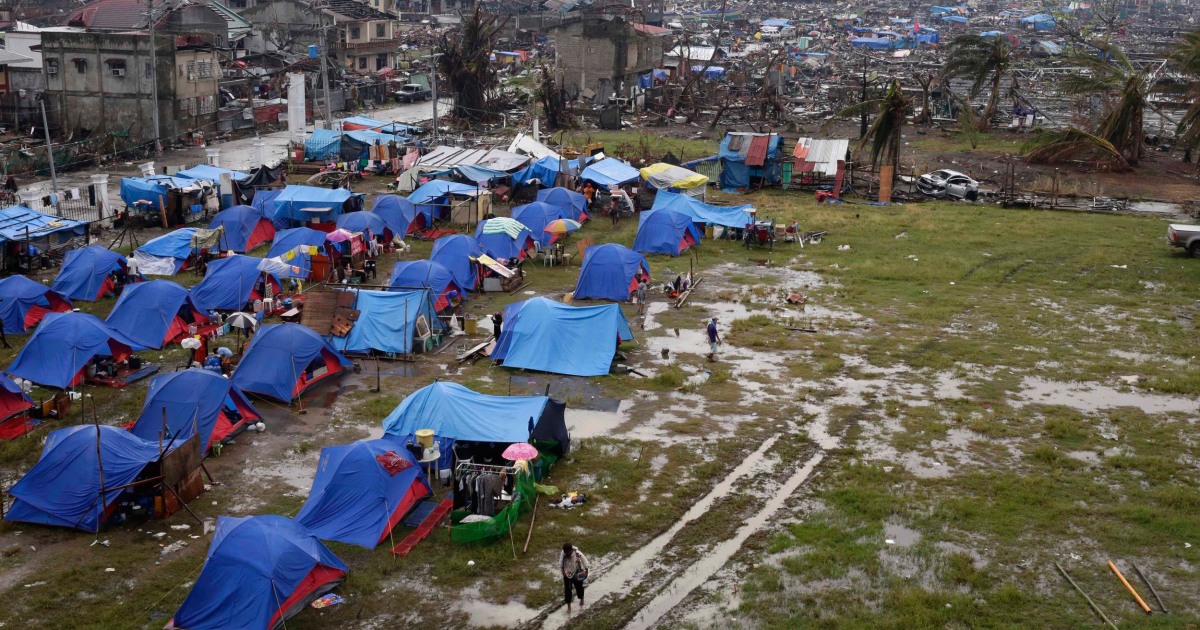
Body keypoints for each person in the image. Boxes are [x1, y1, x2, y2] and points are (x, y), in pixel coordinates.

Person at [559, 543, 589, 613]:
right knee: (567, 590)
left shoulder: (577, 553)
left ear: (571, 550)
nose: (567, 555)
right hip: (567, 574)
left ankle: (581, 599)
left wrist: (586, 571)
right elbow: (561, 563)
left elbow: (585, 561)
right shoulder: (563, 554)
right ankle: (569, 607)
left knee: (579, 587)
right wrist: (563, 572)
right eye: (566, 553)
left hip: (576, 573)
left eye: (568, 553)